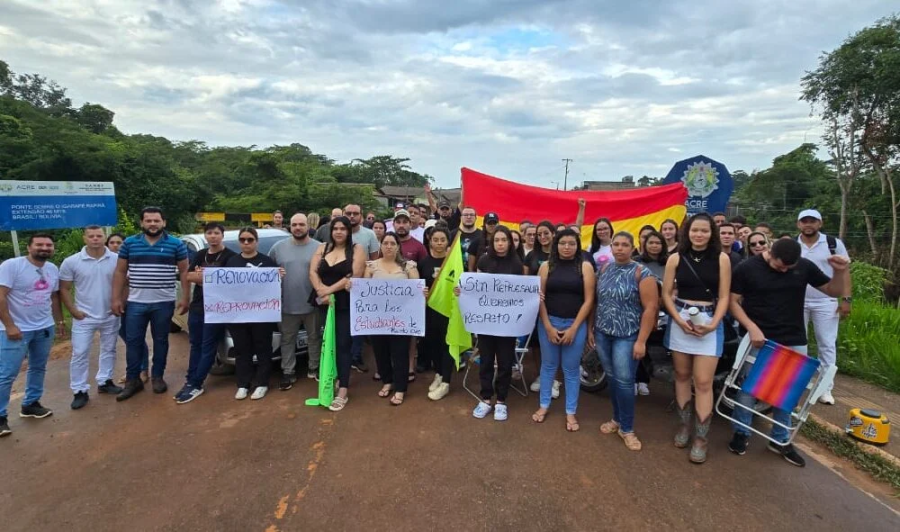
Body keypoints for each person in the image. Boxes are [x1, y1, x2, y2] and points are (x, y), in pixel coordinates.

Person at [728, 238, 850, 466]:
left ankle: (780, 439)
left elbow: (832, 290)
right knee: (749, 387)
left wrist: (840, 272)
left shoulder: (804, 266)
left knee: (788, 390)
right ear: (769, 252)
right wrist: (751, 327)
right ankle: (741, 432)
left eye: (788, 268)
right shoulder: (747, 268)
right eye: (779, 266)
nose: (784, 270)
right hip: (759, 338)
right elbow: (732, 302)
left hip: (794, 337)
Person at [662, 213, 731, 464]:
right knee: (681, 376)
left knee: (703, 381)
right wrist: (679, 320)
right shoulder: (675, 259)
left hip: (709, 321)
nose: (699, 235)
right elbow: (666, 294)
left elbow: (724, 296)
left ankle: (701, 437)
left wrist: (713, 324)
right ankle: (684, 426)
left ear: (711, 232)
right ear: (686, 232)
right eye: (694, 230)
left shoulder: (722, 259)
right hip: (681, 318)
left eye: (704, 230)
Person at [112, 207, 189, 401]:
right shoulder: (129, 243)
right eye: (148, 220)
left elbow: (185, 273)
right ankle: (133, 380)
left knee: (161, 341)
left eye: (156, 220)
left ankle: (157, 377)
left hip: (163, 303)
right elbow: (120, 272)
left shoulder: (176, 244)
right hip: (136, 302)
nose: (152, 224)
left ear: (164, 223)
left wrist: (185, 298)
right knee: (133, 342)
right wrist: (116, 298)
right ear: (142, 223)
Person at [591, 232, 658, 450]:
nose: (620, 248)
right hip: (603, 333)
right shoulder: (604, 269)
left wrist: (641, 341)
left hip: (628, 335)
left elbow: (650, 309)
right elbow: (596, 301)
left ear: (633, 247)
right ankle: (616, 419)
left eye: (624, 245)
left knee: (626, 381)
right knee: (612, 378)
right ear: (610, 247)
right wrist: (592, 328)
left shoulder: (642, 272)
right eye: (616, 244)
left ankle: (627, 429)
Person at [0, 234, 65, 437]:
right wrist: (9, 325)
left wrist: (59, 320)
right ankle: (0, 416)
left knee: (38, 367)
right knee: (7, 373)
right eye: (39, 244)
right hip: (15, 329)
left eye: (48, 245)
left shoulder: (52, 268)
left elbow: (53, 297)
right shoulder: (12, 266)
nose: (44, 248)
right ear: (29, 247)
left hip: (44, 327)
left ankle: (30, 404)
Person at [531, 229, 595, 432]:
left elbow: (589, 300)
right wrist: (548, 326)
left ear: (577, 246)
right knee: (548, 367)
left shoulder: (585, 267)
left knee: (571, 369)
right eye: (562, 243)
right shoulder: (545, 266)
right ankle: (544, 405)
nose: (567, 247)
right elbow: (538, 298)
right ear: (556, 245)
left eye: (571, 243)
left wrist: (574, 328)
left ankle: (570, 411)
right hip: (548, 322)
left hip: (575, 324)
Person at [171, 222, 236, 404]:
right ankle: (190, 381)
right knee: (195, 345)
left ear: (222, 235)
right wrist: (211, 276)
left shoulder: (230, 256)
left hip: (218, 309)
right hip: (198, 307)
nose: (213, 236)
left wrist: (204, 276)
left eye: (216, 233)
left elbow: (231, 281)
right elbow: (189, 276)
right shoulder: (200, 254)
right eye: (210, 233)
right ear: (205, 236)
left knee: (208, 347)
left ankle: (196, 383)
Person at [59, 225, 123, 410]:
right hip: (83, 317)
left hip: (110, 314)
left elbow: (125, 283)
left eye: (99, 235)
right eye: (91, 236)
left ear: (105, 237)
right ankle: (79, 390)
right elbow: (64, 288)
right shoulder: (72, 261)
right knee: (79, 353)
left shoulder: (117, 259)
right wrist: (73, 311)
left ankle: (105, 381)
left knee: (109, 349)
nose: (95, 238)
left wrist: (120, 302)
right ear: (84, 238)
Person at [310, 216, 366, 412]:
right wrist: (320, 290)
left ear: (349, 231)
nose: (339, 232)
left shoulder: (357, 249)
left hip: (345, 304)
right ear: (331, 230)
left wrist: (329, 290)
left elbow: (354, 274)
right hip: (322, 302)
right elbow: (313, 271)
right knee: (325, 342)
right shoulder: (323, 248)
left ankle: (343, 388)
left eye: (343, 228)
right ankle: (329, 379)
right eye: (336, 228)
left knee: (343, 345)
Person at [469, 226, 524, 421]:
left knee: (505, 362)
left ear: (510, 242)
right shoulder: (484, 261)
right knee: (485, 361)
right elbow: (475, 289)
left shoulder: (517, 264)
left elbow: (521, 293)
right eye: (497, 240)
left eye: (504, 240)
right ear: (492, 243)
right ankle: (485, 398)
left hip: (507, 324)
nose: (500, 243)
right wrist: (463, 291)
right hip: (486, 322)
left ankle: (501, 400)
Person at [797, 209, 850, 405]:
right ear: (798, 224)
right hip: (797, 301)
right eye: (804, 221)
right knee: (798, 344)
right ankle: (797, 383)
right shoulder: (794, 245)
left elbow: (844, 272)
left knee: (826, 344)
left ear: (820, 223)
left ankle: (826, 388)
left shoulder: (833, 244)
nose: (808, 224)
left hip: (826, 301)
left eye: (812, 221)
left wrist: (846, 299)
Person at [225, 227, 284, 401]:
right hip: (238, 315)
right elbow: (224, 288)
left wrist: (279, 276)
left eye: (250, 239)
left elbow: (275, 288)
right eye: (242, 239)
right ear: (239, 242)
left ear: (256, 241)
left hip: (262, 315)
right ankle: (243, 384)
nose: (246, 243)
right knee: (242, 351)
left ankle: (262, 384)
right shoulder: (232, 262)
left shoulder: (267, 262)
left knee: (263, 349)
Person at [362, 232, 421, 406]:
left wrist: (421, 292)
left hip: (400, 319)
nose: (388, 246)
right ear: (380, 246)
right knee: (380, 352)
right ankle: (387, 381)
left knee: (400, 353)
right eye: (385, 243)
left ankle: (401, 388)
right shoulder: (371, 266)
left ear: (397, 246)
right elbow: (364, 291)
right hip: (377, 319)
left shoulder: (408, 267)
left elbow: (416, 290)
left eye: (392, 243)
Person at [269, 214, 322, 389]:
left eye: (301, 224)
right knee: (287, 339)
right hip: (286, 304)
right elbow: (267, 272)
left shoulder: (319, 248)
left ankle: (314, 368)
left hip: (313, 303)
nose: (298, 227)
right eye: (294, 225)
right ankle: (288, 372)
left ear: (308, 226)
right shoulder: (278, 248)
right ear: (289, 226)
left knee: (315, 337)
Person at [419, 227, 455, 401]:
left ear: (448, 242)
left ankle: (446, 382)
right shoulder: (423, 263)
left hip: (449, 311)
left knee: (447, 345)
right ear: (430, 241)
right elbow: (418, 286)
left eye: (442, 240)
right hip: (430, 310)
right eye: (436, 240)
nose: (439, 243)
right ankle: (439, 374)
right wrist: (422, 293)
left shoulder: (453, 263)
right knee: (433, 344)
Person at [344, 204, 381, 374]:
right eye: (348, 213)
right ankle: (342, 357)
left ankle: (356, 356)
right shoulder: (335, 232)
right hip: (339, 285)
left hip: (362, 286)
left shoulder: (369, 235)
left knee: (359, 323)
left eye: (355, 214)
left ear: (361, 216)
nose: (352, 216)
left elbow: (374, 261)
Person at [525, 221, 560, 397]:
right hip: (534, 306)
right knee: (537, 344)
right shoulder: (532, 255)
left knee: (554, 342)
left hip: (555, 305)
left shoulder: (561, 254)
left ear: (553, 233)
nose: (542, 237)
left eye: (546, 233)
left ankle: (554, 379)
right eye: (539, 234)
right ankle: (541, 376)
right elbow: (524, 281)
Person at [458, 207, 483, 271]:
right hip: (457, 273)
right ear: (461, 217)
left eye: (471, 215)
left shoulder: (482, 235)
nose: (469, 217)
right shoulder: (453, 234)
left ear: (476, 218)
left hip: (477, 275)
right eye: (465, 215)